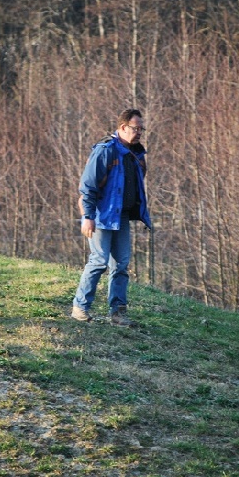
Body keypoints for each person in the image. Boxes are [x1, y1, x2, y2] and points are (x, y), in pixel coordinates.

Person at [71, 109, 152, 326]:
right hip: (101, 216)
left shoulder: (135, 154)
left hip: (121, 216)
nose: (140, 133)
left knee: (121, 265)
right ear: (123, 128)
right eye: (136, 128)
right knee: (98, 262)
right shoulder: (105, 150)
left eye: (141, 129)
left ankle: (118, 313)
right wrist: (87, 216)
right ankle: (80, 308)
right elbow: (87, 186)